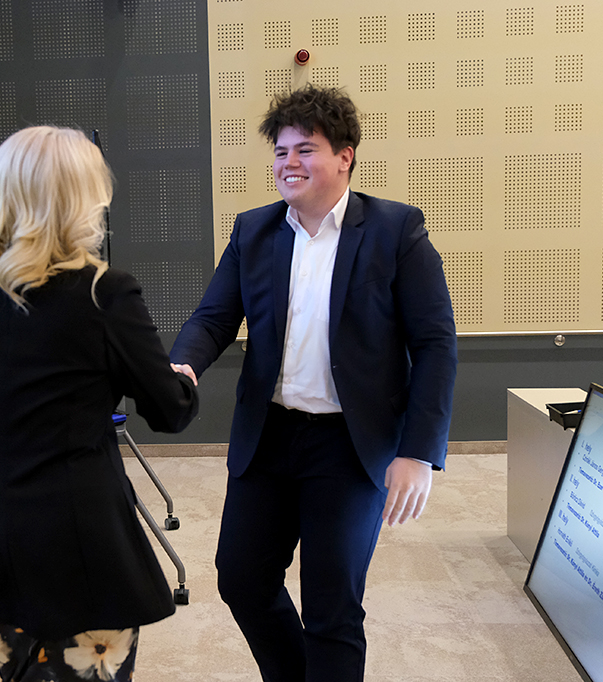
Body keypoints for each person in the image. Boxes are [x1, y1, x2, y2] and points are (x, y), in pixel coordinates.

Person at [170, 85, 457, 681]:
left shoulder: (396, 230)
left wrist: (418, 452)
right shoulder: (254, 231)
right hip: (269, 436)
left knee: (331, 608)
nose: (289, 163)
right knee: (242, 580)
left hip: (350, 445)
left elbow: (434, 344)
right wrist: (184, 364)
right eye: (280, 152)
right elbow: (214, 318)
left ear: (345, 156)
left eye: (305, 149)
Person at [0, 126, 198, 682]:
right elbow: (169, 411)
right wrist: (179, 379)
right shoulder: (104, 293)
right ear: (81, 202)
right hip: (79, 540)